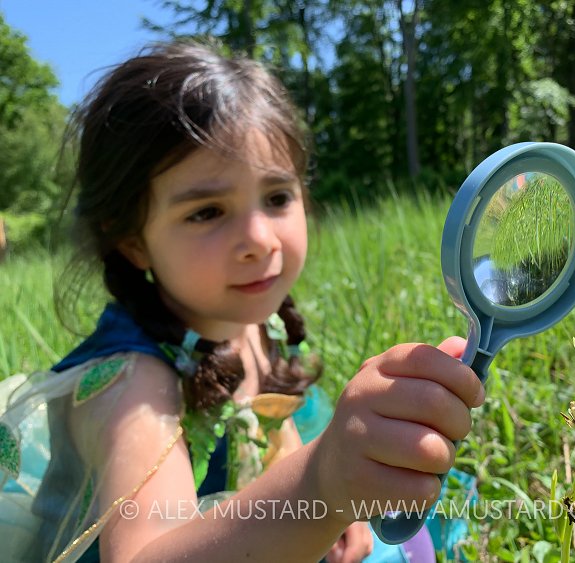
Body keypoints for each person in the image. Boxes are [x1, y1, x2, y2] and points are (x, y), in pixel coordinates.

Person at [0, 40, 484, 562]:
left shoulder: (247, 317)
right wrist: (322, 487)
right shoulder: (133, 387)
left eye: (277, 197)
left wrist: (331, 511)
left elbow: (277, 437)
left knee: (403, 533)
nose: (259, 238)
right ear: (132, 238)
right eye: (207, 212)